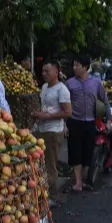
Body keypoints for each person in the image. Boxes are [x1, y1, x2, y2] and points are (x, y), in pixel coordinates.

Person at [64, 53, 108, 193]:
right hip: (74, 122)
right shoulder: (69, 83)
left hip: (90, 123)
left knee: (86, 154)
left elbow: (104, 100)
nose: (74, 67)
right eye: (73, 65)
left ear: (85, 67)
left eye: (77, 65)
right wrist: (64, 124)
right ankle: (78, 182)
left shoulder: (96, 83)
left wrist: (109, 120)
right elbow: (64, 105)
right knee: (75, 153)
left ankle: (82, 179)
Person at [31, 60, 72, 205]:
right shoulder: (44, 87)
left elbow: (67, 112)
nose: (44, 74)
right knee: (42, 164)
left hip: (54, 132)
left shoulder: (62, 90)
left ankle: (53, 197)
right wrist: (38, 114)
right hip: (42, 129)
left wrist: (46, 116)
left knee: (50, 164)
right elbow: (46, 107)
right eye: (42, 71)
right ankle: (44, 194)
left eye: (47, 71)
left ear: (56, 72)